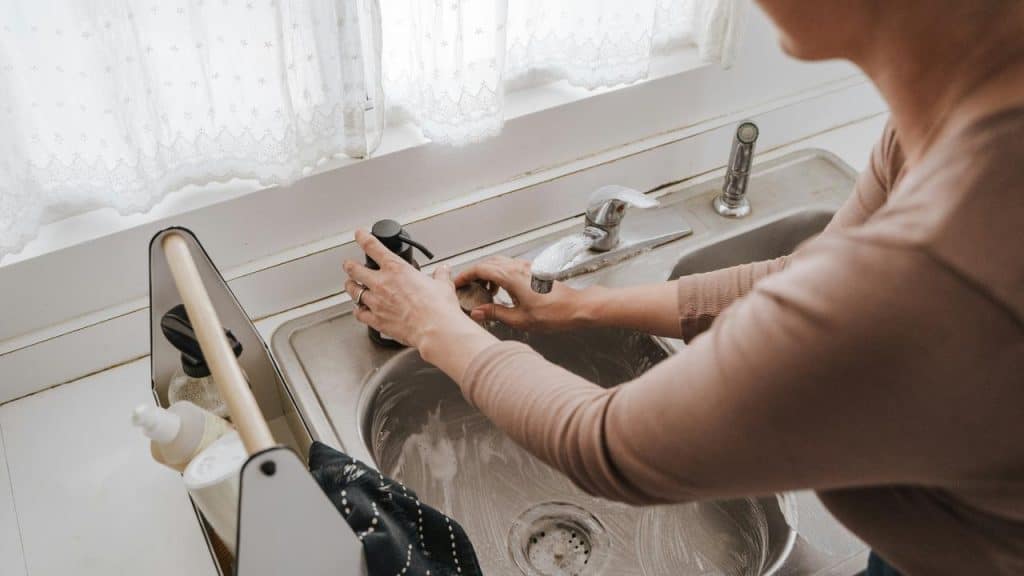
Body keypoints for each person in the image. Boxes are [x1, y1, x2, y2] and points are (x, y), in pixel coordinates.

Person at [341, 1, 1024, 574]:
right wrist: (584, 306)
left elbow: (605, 445)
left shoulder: (940, 273)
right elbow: (810, 278)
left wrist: (437, 328)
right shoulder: (954, 116)